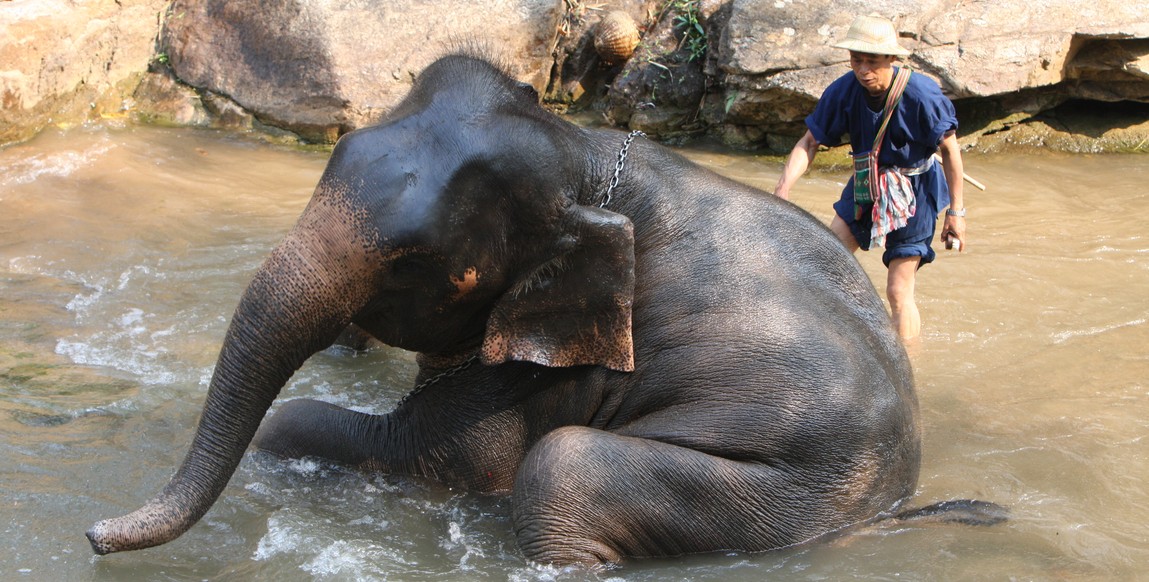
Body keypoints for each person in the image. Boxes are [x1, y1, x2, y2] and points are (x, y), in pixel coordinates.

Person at [773, 14, 966, 341]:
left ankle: (909, 367)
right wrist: (782, 191)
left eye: (872, 62)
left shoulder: (921, 95)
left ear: (891, 58)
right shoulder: (844, 91)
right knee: (826, 260)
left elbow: (950, 151)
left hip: (915, 190)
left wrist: (956, 213)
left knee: (897, 291)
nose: (863, 70)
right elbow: (809, 142)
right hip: (868, 179)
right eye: (856, 60)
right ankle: (824, 339)